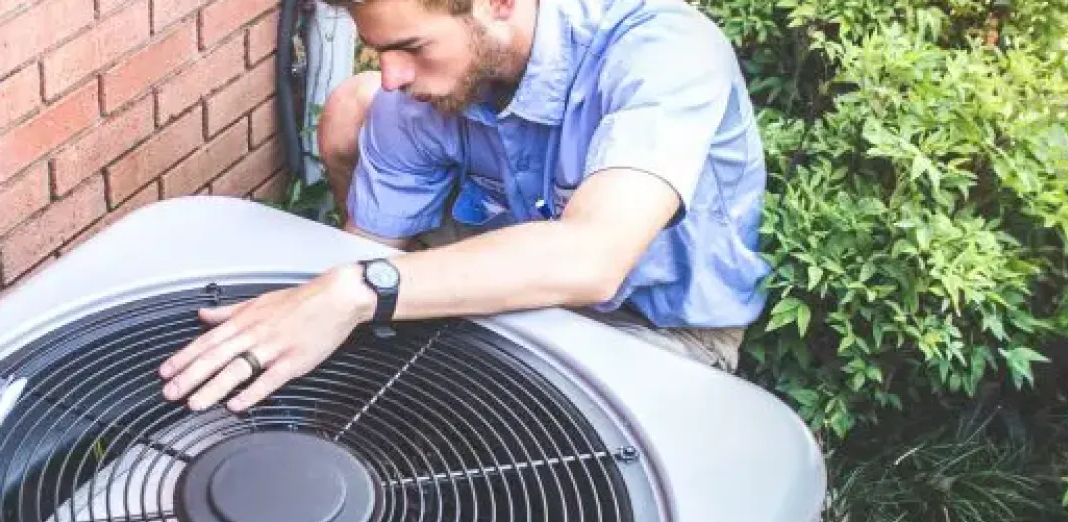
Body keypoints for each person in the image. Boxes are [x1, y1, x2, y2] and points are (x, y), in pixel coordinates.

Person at [158, 0, 772, 414]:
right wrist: (319, 317)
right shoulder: (413, 92)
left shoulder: (663, 51)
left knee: (528, 462)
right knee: (358, 105)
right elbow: (372, 248)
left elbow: (595, 256)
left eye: (413, 47)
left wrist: (356, 290)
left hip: (652, 323)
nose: (394, 75)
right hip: (513, 260)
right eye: (379, 50)